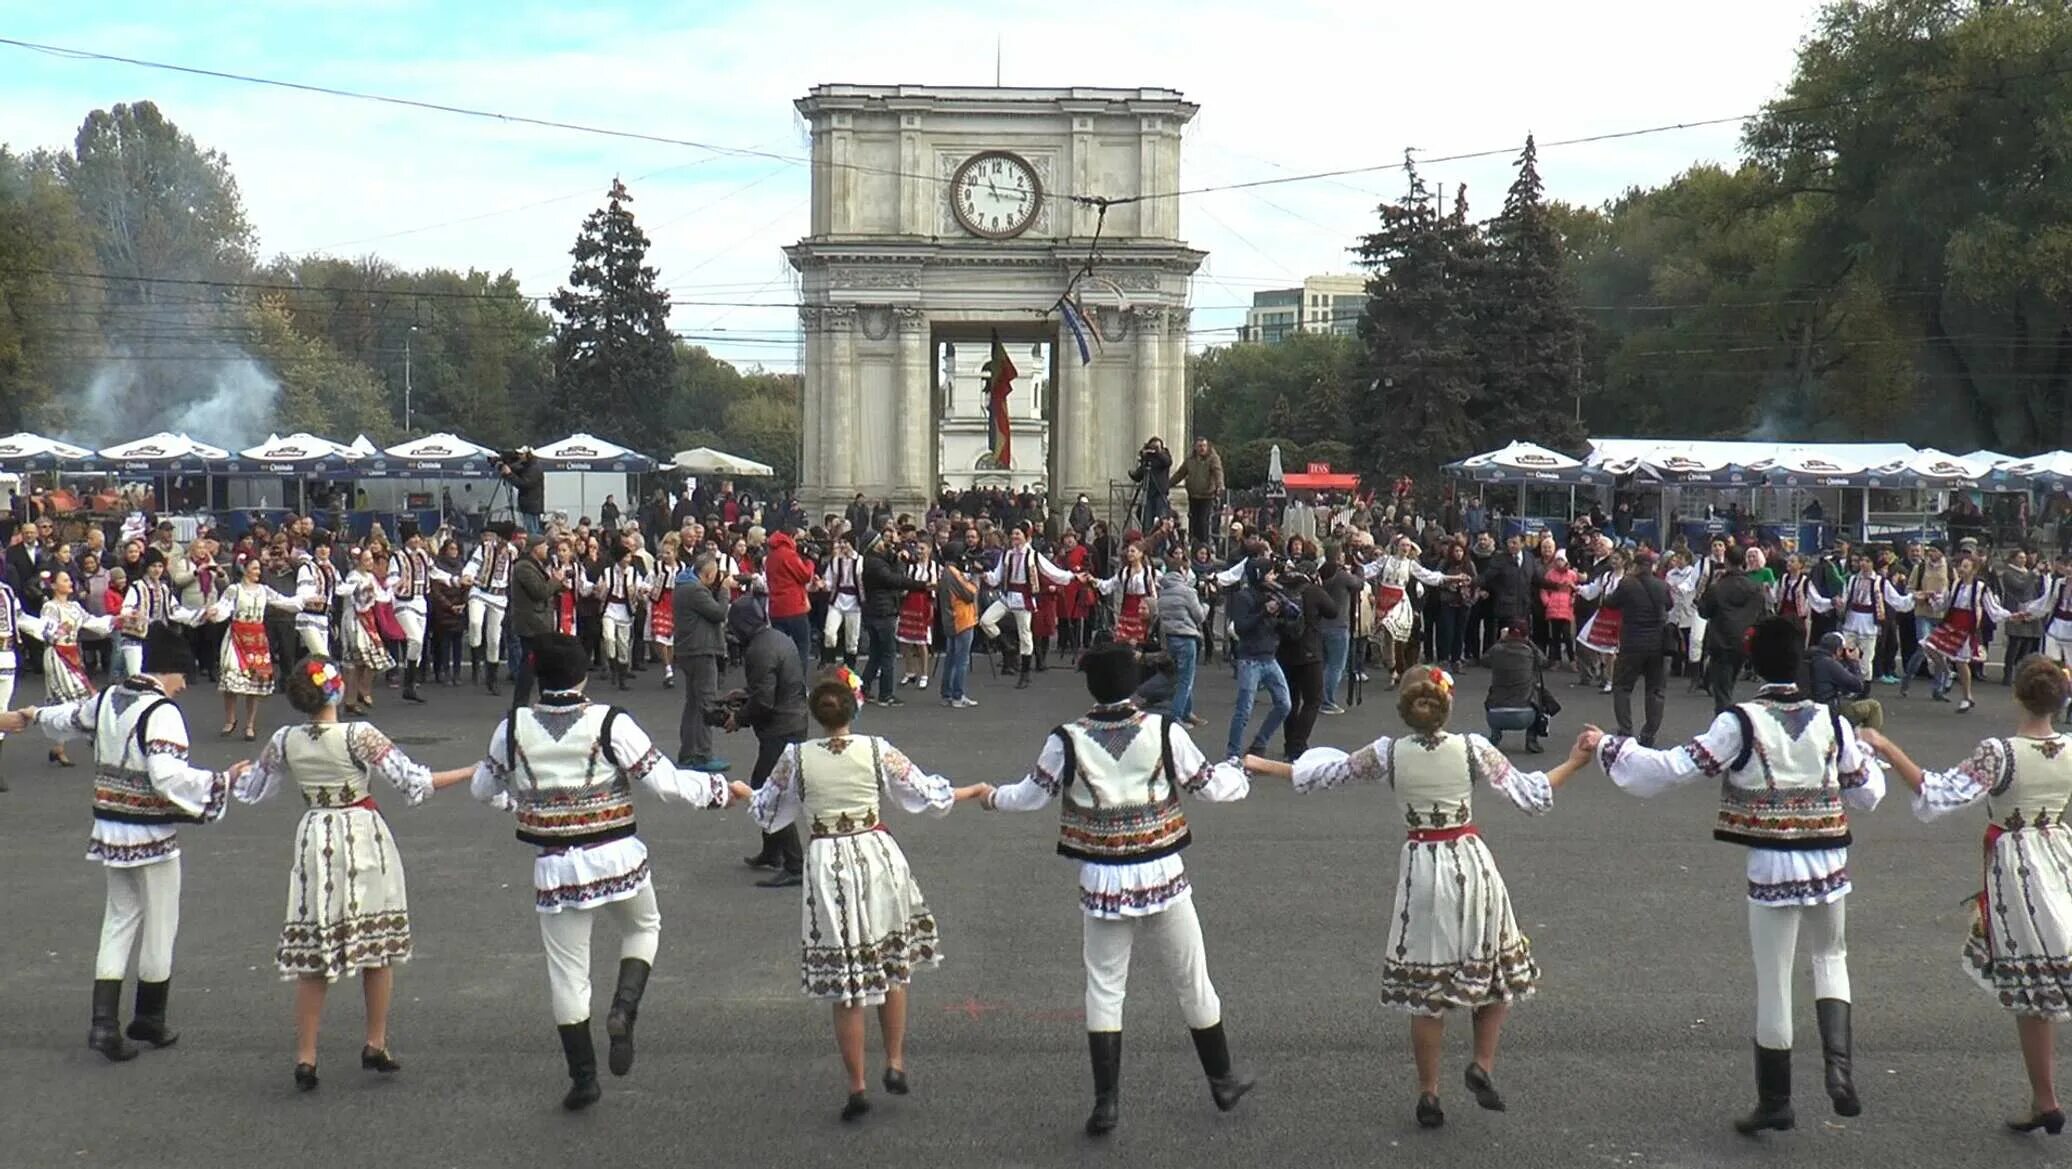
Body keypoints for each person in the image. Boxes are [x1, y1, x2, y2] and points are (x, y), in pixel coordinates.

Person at [1245, 669, 1592, 1127]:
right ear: (1446, 705)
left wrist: (1264, 765)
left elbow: (1329, 773)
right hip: (1471, 862)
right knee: (1496, 970)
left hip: (1422, 868)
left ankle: (1429, 1093)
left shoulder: (1388, 753)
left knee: (1426, 993)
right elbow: (1530, 794)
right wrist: (1575, 762)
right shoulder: (1472, 748)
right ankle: (1481, 1064)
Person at [1586, 616, 1886, 1134]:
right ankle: (1840, 1073)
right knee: (1831, 957)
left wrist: (1609, 748)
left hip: (1772, 863)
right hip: (1830, 861)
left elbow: (1676, 768)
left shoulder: (1740, 721)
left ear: (1753, 661)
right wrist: (1869, 757)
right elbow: (1867, 793)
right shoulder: (1831, 721)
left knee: (1775, 980)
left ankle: (1776, 1100)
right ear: (1801, 660)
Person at [982, 642, 1254, 1136]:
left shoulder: (1066, 738)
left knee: (1105, 987)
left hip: (1102, 877)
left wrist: (991, 799)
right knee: (1192, 978)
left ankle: (1106, 1103)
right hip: (1162, 871)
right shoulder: (1163, 730)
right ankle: (1223, 1079)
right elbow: (1207, 785)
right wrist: (1241, 774)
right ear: (1133, 684)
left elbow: (1030, 795)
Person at [468, 632, 736, 1110]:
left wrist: (517, 802)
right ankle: (624, 1008)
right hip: (616, 854)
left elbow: (481, 787)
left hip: (556, 866)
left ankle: (584, 1078)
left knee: (567, 974)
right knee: (643, 927)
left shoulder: (512, 727)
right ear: (583, 675)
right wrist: (718, 790)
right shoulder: (609, 721)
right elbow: (666, 783)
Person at [0, 625, 250, 1062]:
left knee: (118, 919)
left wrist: (32, 715)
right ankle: (149, 1018)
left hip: (110, 827)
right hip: (149, 830)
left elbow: (69, 717)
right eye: (183, 676)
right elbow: (167, 775)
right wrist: (221, 780)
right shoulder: (163, 711)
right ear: (171, 673)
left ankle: (103, 1024)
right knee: (160, 920)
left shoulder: (109, 698)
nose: (186, 685)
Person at [748, 669, 989, 1120]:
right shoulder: (876, 749)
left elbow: (767, 811)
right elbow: (923, 792)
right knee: (892, 964)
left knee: (846, 982)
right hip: (877, 854)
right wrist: (970, 792)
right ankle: (894, 1061)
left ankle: (857, 1086)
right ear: (853, 709)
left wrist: (743, 792)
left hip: (828, 863)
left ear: (817, 714)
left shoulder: (795, 758)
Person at [233, 656, 474, 1090]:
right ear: (335, 690)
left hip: (314, 833)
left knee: (316, 946)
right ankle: (375, 1042)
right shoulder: (359, 734)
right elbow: (412, 781)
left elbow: (253, 788)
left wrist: (233, 776)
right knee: (377, 946)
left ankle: (306, 1056)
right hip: (361, 832)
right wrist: (473, 771)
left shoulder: (285, 738)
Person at [1857, 657, 2072, 1134]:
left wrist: (1885, 745)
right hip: (2058, 849)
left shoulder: (2001, 752)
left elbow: (1937, 792)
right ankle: (2044, 1099)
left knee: (2033, 988)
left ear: (2017, 695)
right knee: (2047, 975)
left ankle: (2047, 1099)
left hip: (2018, 864)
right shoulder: (2071, 748)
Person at [729, 594, 809, 887]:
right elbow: (770, 690)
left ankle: (793, 862)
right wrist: (746, 698)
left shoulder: (758, 651)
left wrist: (737, 718)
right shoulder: (777, 638)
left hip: (780, 727)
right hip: (794, 719)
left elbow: (764, 700)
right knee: (769, 785)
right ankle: (773, 850)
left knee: (768, 789)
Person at [24, 569, 119, 767]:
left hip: (73, 653)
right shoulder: (50, 607)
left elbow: (93, 622)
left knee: (69, 699)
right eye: (65, 580)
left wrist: (116, 620)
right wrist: (58, 631)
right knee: (73, 697)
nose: (70, 584)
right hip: (57, 654)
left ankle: (60, 747)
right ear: (54, 585)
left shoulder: (75, 606)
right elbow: (45, 630)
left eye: (70, 580)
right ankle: (94, 736)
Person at [207, 555, 306, 740]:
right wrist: (215, 613)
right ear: (244, 570)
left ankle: (250, 725)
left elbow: (285, 602)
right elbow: (224, 607)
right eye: (254, 568)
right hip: (237, 636)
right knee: (231, 679)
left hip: (257, 639)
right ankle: (230, 719)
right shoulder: (234, 590)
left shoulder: (264, 590)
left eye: (259, 569)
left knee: (255, 683)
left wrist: (305, 600)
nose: (258, 572)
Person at [1906, 554, 2012, 714]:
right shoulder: (1956, 584)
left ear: (1974, 569)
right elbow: (1945, 604)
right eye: (1960, 566)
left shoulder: (1980, 587)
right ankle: (1947, 672)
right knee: (1928, 645)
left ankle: (1966, 697)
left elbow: (1993, 608)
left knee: (1962, 663)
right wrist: (1935, 598)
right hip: (1951, 623)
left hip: (1966, 626)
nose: (1961, 570)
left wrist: (2011, 615)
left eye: (1965, 567)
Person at [980, 525, 1076, 689]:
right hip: (1008, 596)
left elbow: (1051, 572)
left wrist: (1072, 576)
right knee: (985, 621)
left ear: (1026, 536)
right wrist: (985, 575)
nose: (1014, 536)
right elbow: (997, 577)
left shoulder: (1034, 556)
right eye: (1013, 533)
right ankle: (1007, 646)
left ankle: (1025, 674)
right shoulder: (1008, 554)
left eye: (1017, 533)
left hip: (1023, 599)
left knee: (1025, 635)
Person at [1224, 555, 1298, 761]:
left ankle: (1260, 742)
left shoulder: (1274, 594)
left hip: (1269, 656)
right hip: (1250, 659)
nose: (1273, 576)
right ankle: (1232, 753)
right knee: (1244, 710)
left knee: (1284, 704)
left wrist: (1283, 612)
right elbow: (1241, 627)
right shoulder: (1244, 597)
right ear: (1259, 575)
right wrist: (1264, 612)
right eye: (1270, 572)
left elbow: (1292, 616)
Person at [1602, 548, 1674, 747]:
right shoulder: (1662, 585)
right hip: (1657, 644)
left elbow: (1610, 603)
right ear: (1652, 566)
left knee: (1622, 687)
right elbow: (1669, 605)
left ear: (1634, 566)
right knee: (1655, 690)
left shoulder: (1627, 584)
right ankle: (1649, 733)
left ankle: (1625, 731)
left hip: (1632, 643)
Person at [674, 551, 731, 770]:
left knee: (693, 705)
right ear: (707, 574)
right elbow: (718, 613)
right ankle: (704, 755)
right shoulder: (696, 590)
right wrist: (725, 590)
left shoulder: (683, 586)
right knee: (707, 704)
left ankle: (689, 753)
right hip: (701, 650)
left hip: (689, 651)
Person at [859, 533, 926, 707]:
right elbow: (894, 579)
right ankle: (885, 694)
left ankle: (864, 688)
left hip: (875, 611)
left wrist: (896, 555)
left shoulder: (873, 560)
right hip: (883, 611)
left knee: (876, 653)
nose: (884, 543)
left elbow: (891, 567)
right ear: (875, 545)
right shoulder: (875, 564)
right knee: (888, 654)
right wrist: (921, 585)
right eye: (880, 541)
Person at [1699, 545, 1768, 713]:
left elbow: (1704, 610)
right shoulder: (1755, 587)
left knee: (1722, 692)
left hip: (1721, 641)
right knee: (1729, 683)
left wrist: (1710, 586)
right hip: (1744, 642)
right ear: (1743, 562)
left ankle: (1724, 728)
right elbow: (1762, 615)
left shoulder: (1718, 587)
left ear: (1726, 562)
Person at [338, 547, 396, 715]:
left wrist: (393, 588)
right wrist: (358, 588)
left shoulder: (370, 577)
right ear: (358, 562)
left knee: (373, 658)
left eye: (371, 559)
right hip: (355, 620)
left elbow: (382, 596)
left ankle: (362, 690)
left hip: (368, 620)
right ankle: (352, 699)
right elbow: (342, 590)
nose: (371, 562)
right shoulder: (354, 577)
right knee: (357, 662)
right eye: (367, 560)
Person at [1155, 549, 1207, 728]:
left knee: (1183, 676)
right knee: (1186, 679)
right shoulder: (1187, 592)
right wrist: (1205, 606)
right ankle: (1175, 717)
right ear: (1182, 571)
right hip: (1186, 637)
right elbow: (1199, 616)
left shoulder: (1163, 592)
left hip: (1170, 637)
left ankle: (1187, 712)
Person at [508, 533, 560, 707]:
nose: (547, 550)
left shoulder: (537, 565)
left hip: (539, 623)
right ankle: (520, 704)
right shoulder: (524, 567)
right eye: (544, 546)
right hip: (531, 624)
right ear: (536, 548)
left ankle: (545, 700)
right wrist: (555, 581)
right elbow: (539, 592)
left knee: (541, 665)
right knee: (529, 666)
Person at [1483, 618, 1545, 752]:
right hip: (1524, 716)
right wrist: (1529, 642)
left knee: (1494, 691)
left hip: (1495, 715)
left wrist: (1501, 639)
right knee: (1537, 692)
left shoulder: (1497, 650)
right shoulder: (1530, 653)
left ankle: (1495, 736)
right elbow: (1543, 660)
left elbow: (1484, 660)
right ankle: (1531, 739)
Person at [1809, 632, 1883, 730]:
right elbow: (1858, 686)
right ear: (1839, 650)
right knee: (1873, 706)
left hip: (1808, 712)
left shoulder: (1808, 658)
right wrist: (1854, 662)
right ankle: (1868, 743)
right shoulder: (1829, 664)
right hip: (1829, 713)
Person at [937, 551, 979, 709]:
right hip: (962, 619)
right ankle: (957, 695)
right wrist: (974, 580)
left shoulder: (945, 572)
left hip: (951, 619)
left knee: (950, 659)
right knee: (961, 660)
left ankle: (946, 694)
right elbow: (969, 593)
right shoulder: (953, 573)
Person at [896, 539, 939, 690]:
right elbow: (907, 583)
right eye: (917, 549)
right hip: (910, 601)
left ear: (929, 550)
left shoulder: (933, 566)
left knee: (921, 642)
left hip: (923, 603)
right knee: (905, 640)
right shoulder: (911, 566)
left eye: (922, 548)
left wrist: (931, 606)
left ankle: (924, 674)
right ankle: (910, 671)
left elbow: (933, 586)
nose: (919, 551)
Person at [1170, 437, 1224, 546]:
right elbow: (1181, 473)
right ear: (1195, 447)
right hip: (1193, 495)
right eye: (1199, 446)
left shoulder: (1213, 458)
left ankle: (1204, 545)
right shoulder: (1190, 460)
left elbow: (1218, 472)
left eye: (1204, 446)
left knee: (1203, 522)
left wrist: (1220, 485)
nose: (1202, 449)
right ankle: (1193, 544)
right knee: (1193, 521)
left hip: (1207, 495)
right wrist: (1168, 484)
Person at [1128, 437, 1174, 532]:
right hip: (1148, 493)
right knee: (1147, 520)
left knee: (1160, 520)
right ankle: (1147, 538)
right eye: (1152, 447)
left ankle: (1160, 543)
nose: (1153, 450)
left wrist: (1158, 452)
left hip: (1160, 493)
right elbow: (1140, 475)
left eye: (1156, 447)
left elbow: (1167, 462)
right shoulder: (1148, 459)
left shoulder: (1164, 456)